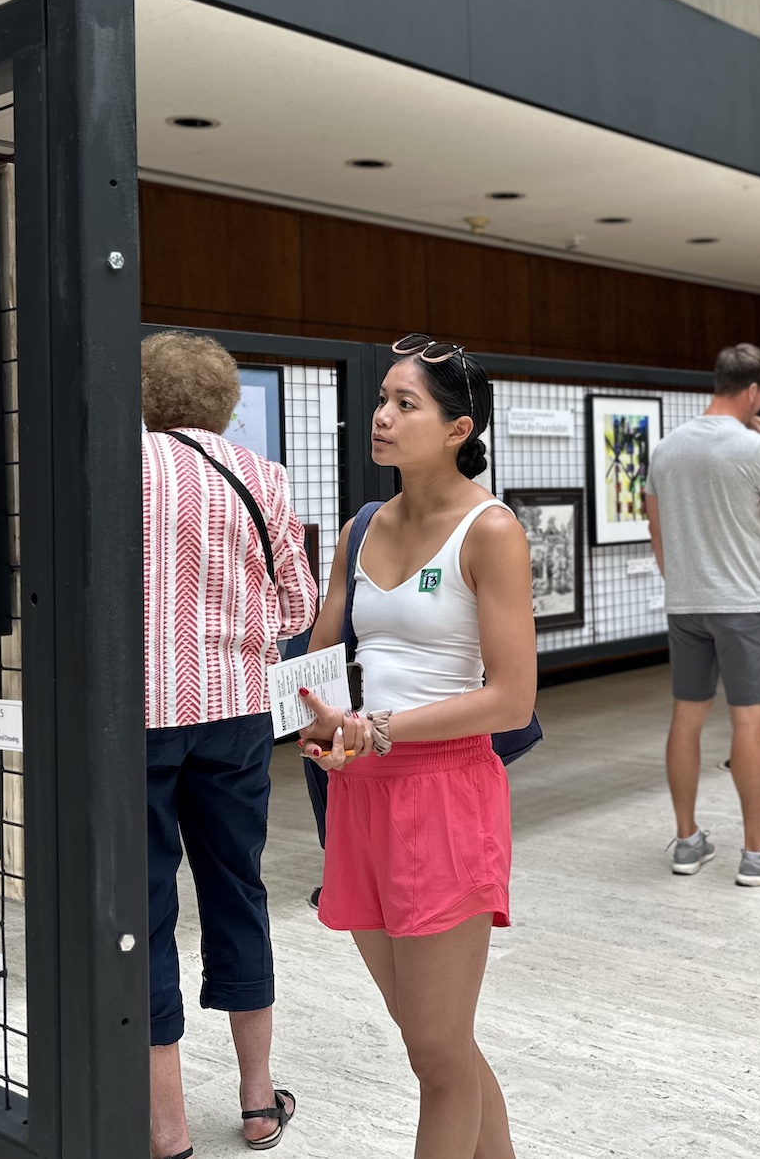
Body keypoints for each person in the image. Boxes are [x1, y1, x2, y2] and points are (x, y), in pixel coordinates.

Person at [297, 333, 534, 1159]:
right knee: (437, 1042)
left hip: (445, 792)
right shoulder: (362, 526)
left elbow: (513, 697)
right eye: (383, 399)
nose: (383, 416)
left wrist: (383, 729)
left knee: (436, 1054)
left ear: (458, 428)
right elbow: (322, 670)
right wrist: (319, 726)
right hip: (360, 791)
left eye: (407, 404)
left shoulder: (491, 529)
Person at [141, 331, 317, 1159]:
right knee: (236, 889)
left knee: (142, 909)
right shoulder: (264, 479)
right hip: (237, 713)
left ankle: (165, 1126)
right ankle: (255, 1101)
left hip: (135, 716)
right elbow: (296, 607)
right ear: (226, 403)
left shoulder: (116, 469)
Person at [644, 343, 760, 885]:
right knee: (750, 721)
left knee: (686, 718)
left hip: (686, 603)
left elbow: (655, 527)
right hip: (743, 604)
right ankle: (759, 853)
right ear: (752, 390)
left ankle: (688, 841)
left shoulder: (666, 448)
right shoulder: (753, 446)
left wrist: (681, 583)